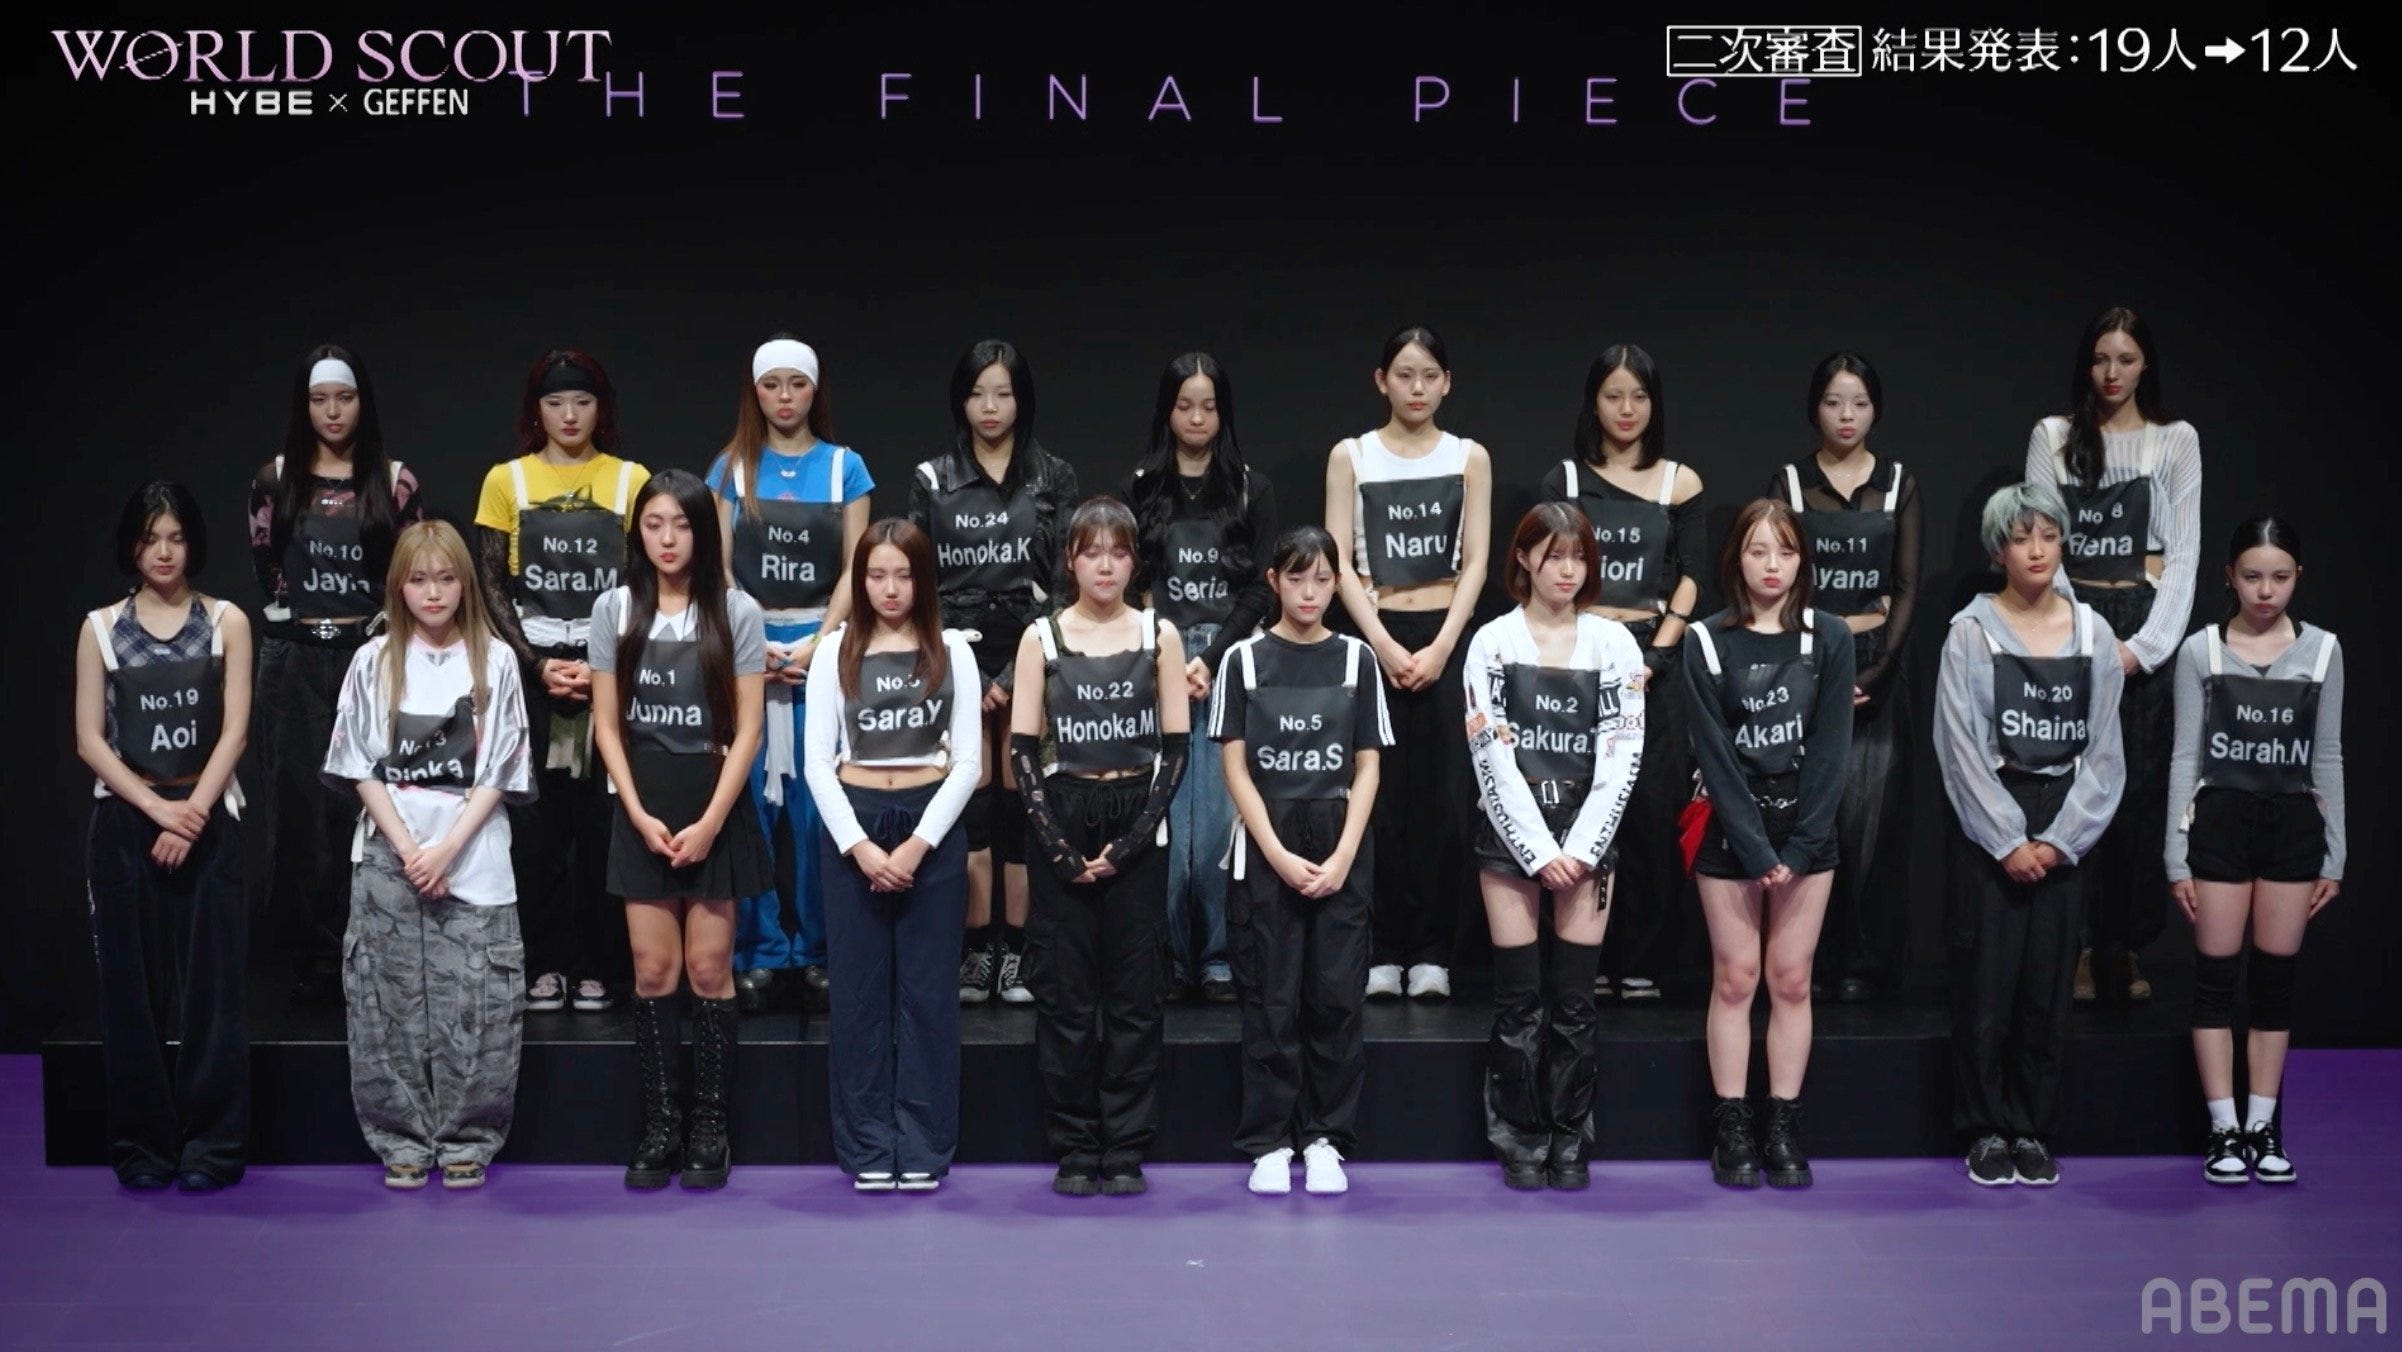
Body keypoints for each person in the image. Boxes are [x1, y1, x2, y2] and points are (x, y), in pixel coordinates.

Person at [322, 521, 534, 1189]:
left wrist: (446, 850)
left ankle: (468, 1137)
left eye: (445, 579)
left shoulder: (495, 660)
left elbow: (501, 767)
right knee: (386, 1004)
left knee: (480, 1004)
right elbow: (358, 763)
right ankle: (402, 1139)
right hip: (391, 854)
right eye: (418, 580)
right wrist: (411, 849)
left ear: (466, 584)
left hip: (472, 852)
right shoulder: (372, 660)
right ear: (399, 586)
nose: (433, 592)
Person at [1935, 484, 2125, 1187]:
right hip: (1994, 814)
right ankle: (1984, 1128)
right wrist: (2008, 840)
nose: (2037, 550)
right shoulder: (1970, 631)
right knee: (1987, 987)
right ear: (1998, 551)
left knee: (2047, 991)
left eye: (2048, 535)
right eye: (2021, 539)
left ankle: (2031, 1127)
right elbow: (1958, 745)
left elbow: (2106, 752)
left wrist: (2062, 839)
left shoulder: (2094, 633)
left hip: (2065, 817)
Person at [589, 470, 773, 1191]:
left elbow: (750, 728)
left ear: (703, 531)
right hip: (643, 803)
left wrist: (712, 821)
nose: (668, 539)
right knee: (652, 971)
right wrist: (636, 812)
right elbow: (607, 724)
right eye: (654, 524)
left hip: (713, 804)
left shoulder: (736, 611)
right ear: (637, 531)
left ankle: (709, 1127)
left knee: (708, 970)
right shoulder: (614, 609)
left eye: (683, 524)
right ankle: (661, 1124)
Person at [74, 481, 252, 1192]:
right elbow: (90, 739)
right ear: (132, 546)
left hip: (207, 819)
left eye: (176, 537)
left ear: (193, 543)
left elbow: (235, 730)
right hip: (127, 823)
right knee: (131, 995)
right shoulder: (99, 628)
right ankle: (143, 1146)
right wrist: (156, 809)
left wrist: (192, 814)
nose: (164, 552)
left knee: (213, 994)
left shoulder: (227, 621)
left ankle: (214, 1147)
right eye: (151, 539)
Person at [1010, 497, 1189, 1196]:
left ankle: (1125, 1146)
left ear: (1134, 561)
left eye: (1118, 552)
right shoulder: (1041, 638)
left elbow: (1176, 750)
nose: (1105, 565)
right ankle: (1076, 1145)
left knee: (1135, 998)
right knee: (1066, 999)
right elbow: (1022, 752)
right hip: (1062, 815)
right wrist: (1059, 849)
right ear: (1071, 560)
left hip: (1137, 818)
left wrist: (1132, 843)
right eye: (1092, 552)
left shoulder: (1159, 635)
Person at [1464, 503, 1646, 1190]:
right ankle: (1520, 1136)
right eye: (1554, 555)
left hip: (1588, 838)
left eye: (1579, 557)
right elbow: (1490, 756)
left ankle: (1569, 1137)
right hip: (1511, 836)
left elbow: (1622, 755)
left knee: (1574, 1002)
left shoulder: (1615, 644)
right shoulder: (1491, 643)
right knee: (1518, 1001)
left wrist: (1583, 848)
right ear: (1524, 559)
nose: (1567, 570)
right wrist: (1539, 852)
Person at [2021, 307, 2200, 1004]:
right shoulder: (2053, 437)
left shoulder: (2175, 440)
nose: (2112, 373)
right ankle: (2072, 945)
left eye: (2126, 359)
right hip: (2070, 624)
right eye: (2101, 358)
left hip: (2143, 627)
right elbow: (2040, 542)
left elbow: (2183, 555)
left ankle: (2121, 946)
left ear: (2145, 364)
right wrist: (2084, 640)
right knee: (2068, 785)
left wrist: (2144, 649)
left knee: (2138, 790)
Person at [1211, 526, 1393, 1196]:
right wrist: (1276, 852)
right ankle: (1268, 1141)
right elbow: (1235, 767)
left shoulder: (1357, 660)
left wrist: (1343, 854)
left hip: (1340, 840)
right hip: (1269, 842)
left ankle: (1324, 1139)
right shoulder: (1243, 661)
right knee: (1270, 996)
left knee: (1336, 996)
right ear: (1273, 582)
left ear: (1338, 583)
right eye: (1296, 578)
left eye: (1322, 579)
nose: (1309, 592)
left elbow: (1368, 765)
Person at [802, 520, 982, 1191]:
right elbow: (818, 762)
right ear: (859, 581)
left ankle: (925, 1146)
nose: (890, 588)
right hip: (854, 826)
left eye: (903, 575)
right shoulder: (833, 652)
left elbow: (968, 763)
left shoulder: (952, 651)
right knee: (858, 997)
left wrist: (915, 846)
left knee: (929, 996)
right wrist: (859, 845)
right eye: (876, 575)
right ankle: (869, 1146)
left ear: (923, 579)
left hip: (930, 827)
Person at [475, 349, 651, 1015]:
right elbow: (490, 582)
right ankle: (545, 962)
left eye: (582, 402)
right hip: (535, 672)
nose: (569, 415)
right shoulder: (506, 480)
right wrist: (535, 664)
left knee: (604, 825)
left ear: (601, 408)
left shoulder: (631, 480)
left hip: (611, 669)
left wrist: (604, 665)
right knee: (538, 829)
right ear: (536, 411)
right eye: (555, 403)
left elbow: (645, 580)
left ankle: (600, 965)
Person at [2166, 517, 2342, 1184]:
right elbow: (2185, 757)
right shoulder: (2201, 652)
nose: (2266, 591)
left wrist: (2336, 856)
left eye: (2280, 577)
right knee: (2214, 982)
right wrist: (2175, 856)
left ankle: (2265, 1126)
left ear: (2298, 577)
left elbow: (2328, 757)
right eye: (2252, 576)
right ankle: (2223, 1128)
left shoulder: (2323, 652)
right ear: (2229, 577)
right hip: (2219, 824)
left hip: (2293, 828)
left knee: (2273, 985)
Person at [1684, 498, 1854, 1190]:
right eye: (1758, 551)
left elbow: (1832, 748)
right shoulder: (1705, 640)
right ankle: (1732, 1124)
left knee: (1790, 978)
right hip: (1730, 830)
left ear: (1803, 560)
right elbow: (1714, 754)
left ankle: (1782, 1123)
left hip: (1806, 829)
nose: (1772, 565)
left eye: (1785, 551)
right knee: (1736, 978)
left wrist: (1804, 846)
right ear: (1737, 560)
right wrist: (1755, 850)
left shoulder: (1830, 636)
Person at [247, 343, 423, 1005]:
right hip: (294, 659)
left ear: (362, 402)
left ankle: (375, 947)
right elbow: (267, 567)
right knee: (297, 813)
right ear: (304, 406)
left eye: (344, 398)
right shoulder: (275, 479)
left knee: (371, 804)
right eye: (319, 399)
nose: (332, 411)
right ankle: (310, 958)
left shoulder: (394, 480)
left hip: (368, 656)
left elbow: (415, 571)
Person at [907, 339, 1080, 1006]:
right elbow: (917, 581)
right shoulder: (932, 477)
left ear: (1021, 399)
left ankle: (1024, 951)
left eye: (1003, 394)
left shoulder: (1054, 476)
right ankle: (977, 950)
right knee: (973, 802)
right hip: (955, 650)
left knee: (1023, 801)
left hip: (1034, 648)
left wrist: (1013, 671)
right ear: (960, 400)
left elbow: (1064, 584)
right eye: (978, 393)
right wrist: (973, 672)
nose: (990, 407)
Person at [1324, 324, 1492, 1001]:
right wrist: (1382, 644)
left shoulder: (1469, 457)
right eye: (1404, 374)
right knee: (1379, 797)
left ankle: (1431, 952)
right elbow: (1336, 561)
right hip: (1375, 633)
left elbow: (1477, 561)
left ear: (1447, 383)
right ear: (1381, 381)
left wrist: (1445, 645)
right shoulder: (1352, 456)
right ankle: (1381, 947)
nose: (1416, 387)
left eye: (1429, 375)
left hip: (1445, 635)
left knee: (1442, 801)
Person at [707, 335, 874, 1015]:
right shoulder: (731, 468)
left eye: (796, 384)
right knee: (748, 806)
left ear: (814, 390)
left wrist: (820, 643)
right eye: (771, 384)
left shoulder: (844, 468)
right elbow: (716, 566)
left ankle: (816, 950)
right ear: (755, 392)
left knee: (815, 811)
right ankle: (757, 950)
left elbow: (859, 568)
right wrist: (753, 642)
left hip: (819, 651)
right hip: (748, 648)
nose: (784, 397)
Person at [1539, 345, 1702, 1003]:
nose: (1627, 409)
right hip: (1577, 658)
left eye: (1639, 396)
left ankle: (1640, 958)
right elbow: (1547, 569)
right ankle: (1582, 956)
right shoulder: (1566, 481)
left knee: (1651, 810)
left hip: (1653, 660)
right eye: (1613, 395)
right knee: (1576, 807)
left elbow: (1692, 576)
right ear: (1594, 402)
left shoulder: (1679, 483)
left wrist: (1656, 657)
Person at [1126, 352, 1277, 1004]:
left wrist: (1212, 657)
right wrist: (1166, 653)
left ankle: (1216, 957)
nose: (1196, 418)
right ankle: (1165, 957)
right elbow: (1129, 582)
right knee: (1162, 819)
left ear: (1224, 413)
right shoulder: (1141, 488)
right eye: (1184, 406)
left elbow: (1260, 589)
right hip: (1156, 661)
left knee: (1218, 821)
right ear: (1167, 411)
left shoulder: (1249, 489)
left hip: (1228, 661)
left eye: (1208, 407)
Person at [1769, 353, 1921, 1003]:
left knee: (1872, 822)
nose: (1846, 415)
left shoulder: (1898, 483)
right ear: (1815, 408)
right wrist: (1814, 666)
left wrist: (1881, 667)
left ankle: (1865, 961)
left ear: (1876, 408)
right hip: (1807, 668)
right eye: (1833, 402)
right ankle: (1808, 957)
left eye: (1859, 402)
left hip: (1879, 672)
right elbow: (1777, 581)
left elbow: (1906, 586)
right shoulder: (1790, 483)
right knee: (1810, 816)